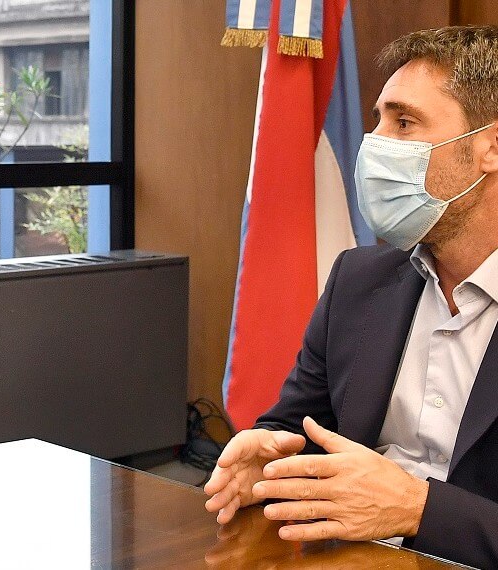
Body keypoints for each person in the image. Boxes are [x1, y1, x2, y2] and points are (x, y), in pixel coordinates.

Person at [205, 25, 498, 569]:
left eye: (403, 122)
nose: (373, 144)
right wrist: (268, 455)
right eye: (377, 119)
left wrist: (419, 509)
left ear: (490, 148)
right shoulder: (358, 280)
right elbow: (297, 426)